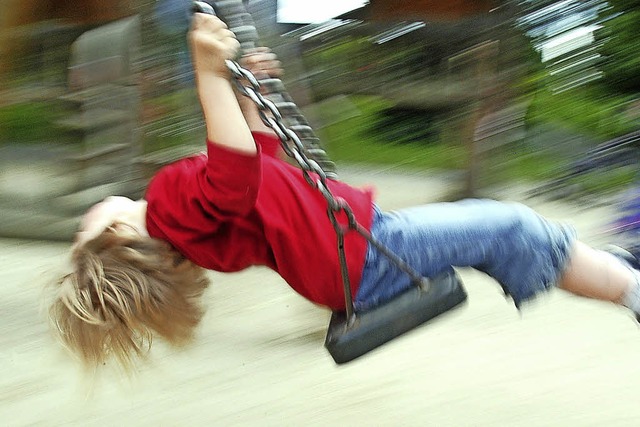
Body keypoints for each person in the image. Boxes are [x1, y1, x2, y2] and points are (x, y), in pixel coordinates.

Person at [50, 13, 640, 371]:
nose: (88, 215)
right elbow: (235, 176)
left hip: (345, 260)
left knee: (494, 235)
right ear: (120, 233)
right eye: (86, 229)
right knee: (508, 227)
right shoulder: (170, 203)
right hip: (360, 252)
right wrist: (207, 70)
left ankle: (611, 272)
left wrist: (254, 98)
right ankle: (628, 287)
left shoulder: (192, 231)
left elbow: (263, 170)